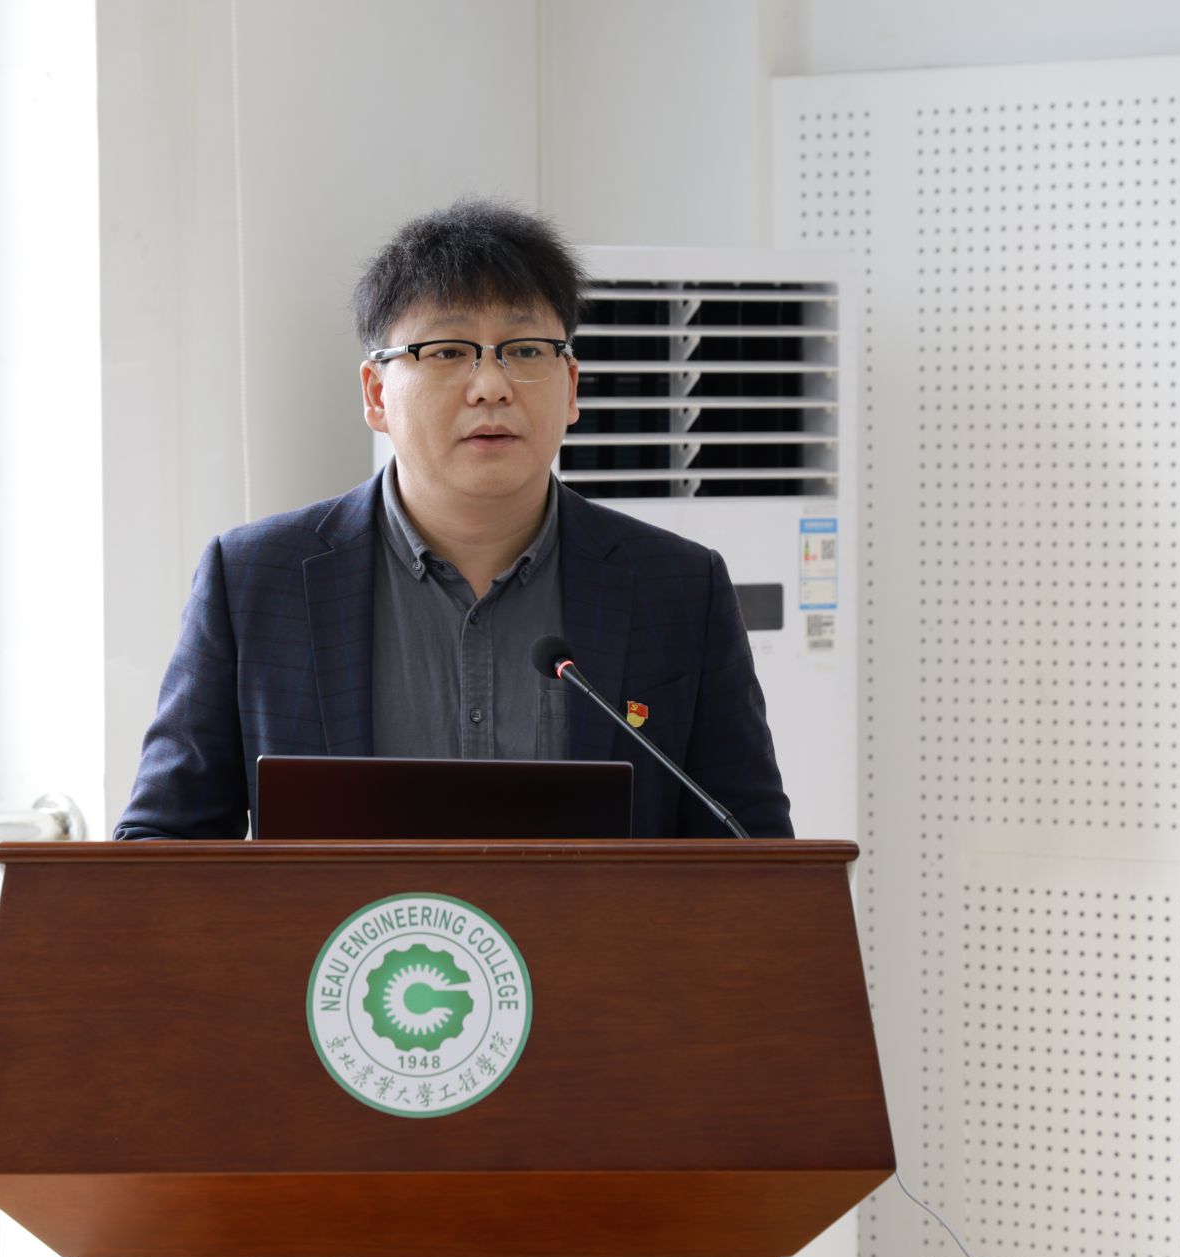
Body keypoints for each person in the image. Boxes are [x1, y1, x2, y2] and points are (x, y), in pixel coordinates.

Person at [114, 199, 792, 839]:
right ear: (376, 393)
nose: (491, 386)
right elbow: (162, 846)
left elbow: (754, 857)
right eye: (446, 352)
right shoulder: (255, 582)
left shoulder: (679, 588)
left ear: (571, 387)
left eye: (526, 350)